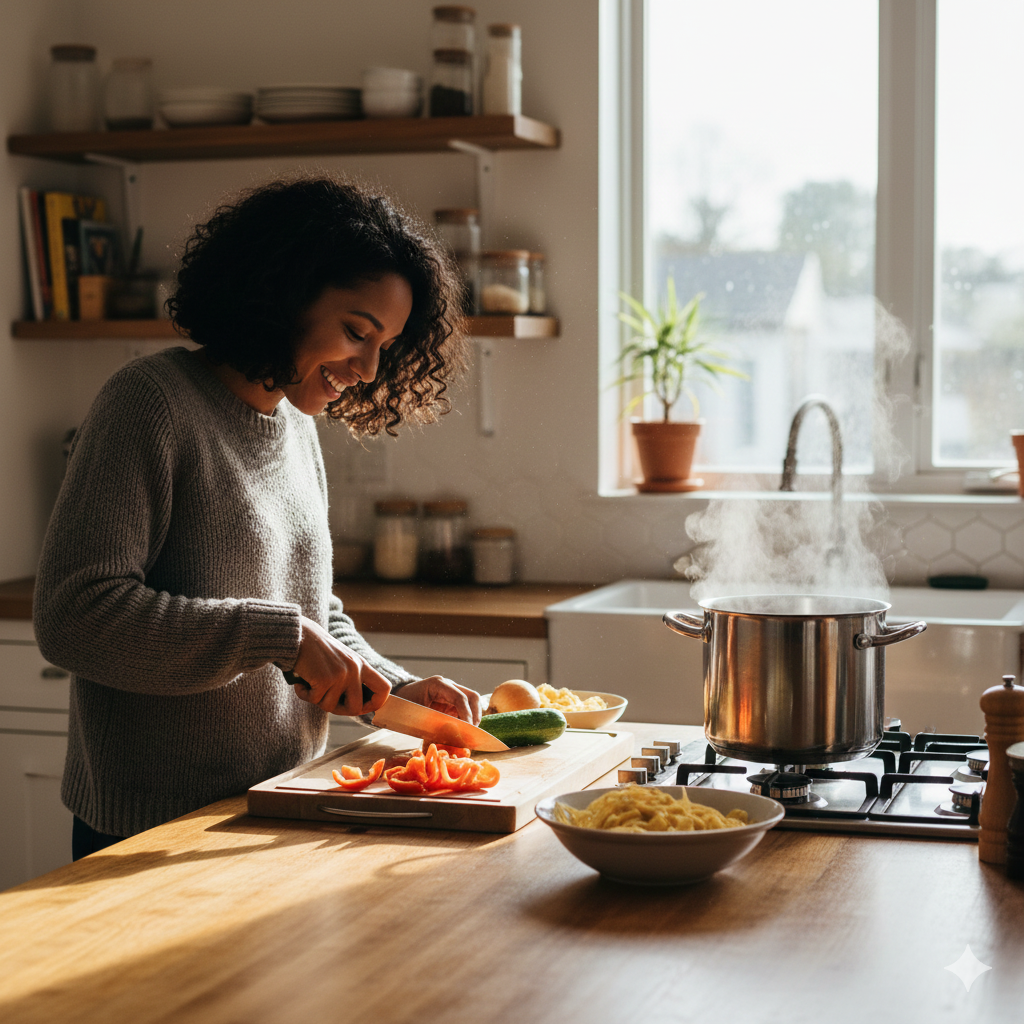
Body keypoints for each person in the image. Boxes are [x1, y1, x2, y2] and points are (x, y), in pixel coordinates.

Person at [33, 175, 479, 860]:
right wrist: (277, 634)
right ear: (282, 293)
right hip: (151, 832)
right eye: (356, 332)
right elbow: (75, 615)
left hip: (275, 809)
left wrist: (395, 686)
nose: (367, 367)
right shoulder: (148, 403)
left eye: (384, 345)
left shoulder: (296, 427)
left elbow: (311, 614)